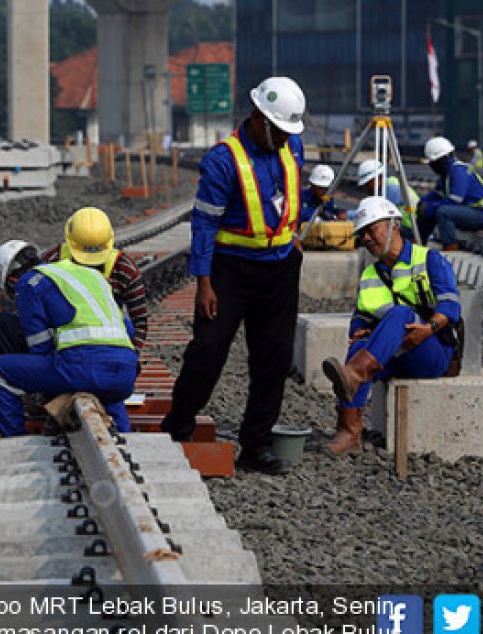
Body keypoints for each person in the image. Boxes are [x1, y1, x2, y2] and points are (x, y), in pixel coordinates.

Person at [160, 76, 306, 475]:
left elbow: (293, 195)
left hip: (278, 269)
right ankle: (179, 427)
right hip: (230, 271)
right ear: (259, 118)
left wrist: (293, 232)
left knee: (272, 359)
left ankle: (256, 445)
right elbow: (203, 226)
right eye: (278, 131)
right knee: (207, 351)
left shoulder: (292, 145)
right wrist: (203, 283)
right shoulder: (223, 160)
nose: (282, 140)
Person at [321, 197, 461, 454]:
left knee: (400, 315)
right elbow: (361, 316)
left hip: (433, 351)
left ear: (394, 225)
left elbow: (451, 307)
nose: (366, 238)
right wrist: (358, 331)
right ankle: (349, 432)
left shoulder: (429, 260)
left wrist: (428, 329)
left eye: (370, 230)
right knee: (359, 347)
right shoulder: (370, 275)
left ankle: (354, 375)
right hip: (395, 354)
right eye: (362, 233)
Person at [0, 240, 138, 437]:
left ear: (12, 280)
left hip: (81, 368)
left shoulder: (30, 282)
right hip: (125, 374)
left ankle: (12, 439)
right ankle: (126, 436)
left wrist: (42, 391)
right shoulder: (92, 276)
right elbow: (129, 329)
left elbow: (39, 345)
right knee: (105, 385)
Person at [0, 207, 148, 357]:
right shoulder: (53, 259)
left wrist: (132, 357)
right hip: (64, 338)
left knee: (125, 324)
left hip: (99, 345)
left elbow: (139, 322)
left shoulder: (125, 269)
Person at [417, 136, 483, 251]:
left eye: (433, 163)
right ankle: (418, 241)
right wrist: (423, 202)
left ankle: (450, 246)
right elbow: (437, 194)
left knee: (442, 211)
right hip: (470, 211)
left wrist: (430, 207)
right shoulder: (445, 174)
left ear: (443, 159)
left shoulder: (458, 171)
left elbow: (455, 200)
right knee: (428, 207)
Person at [355, 159, 419, 238]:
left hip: (410, 228)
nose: (366, 188)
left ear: (379, 177)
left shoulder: (390, 190)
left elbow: (373, 214)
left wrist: (350, 216)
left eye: (368, 183)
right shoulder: (389, 183)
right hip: (407, 225)